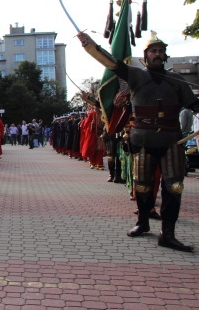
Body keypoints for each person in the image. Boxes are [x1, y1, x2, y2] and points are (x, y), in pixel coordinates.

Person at [78, 30, 198, 252]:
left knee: (174, 186)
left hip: (171, 139)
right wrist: (90, 46)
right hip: (143, 139)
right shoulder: (135, 75)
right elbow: (112, 63)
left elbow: (194, 105)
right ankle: (142, 223)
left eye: (161, 51)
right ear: (146, 55)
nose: (158, 54)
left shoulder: (177, 81)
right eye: (154, 51)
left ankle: (168, 234)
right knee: (142, 185)